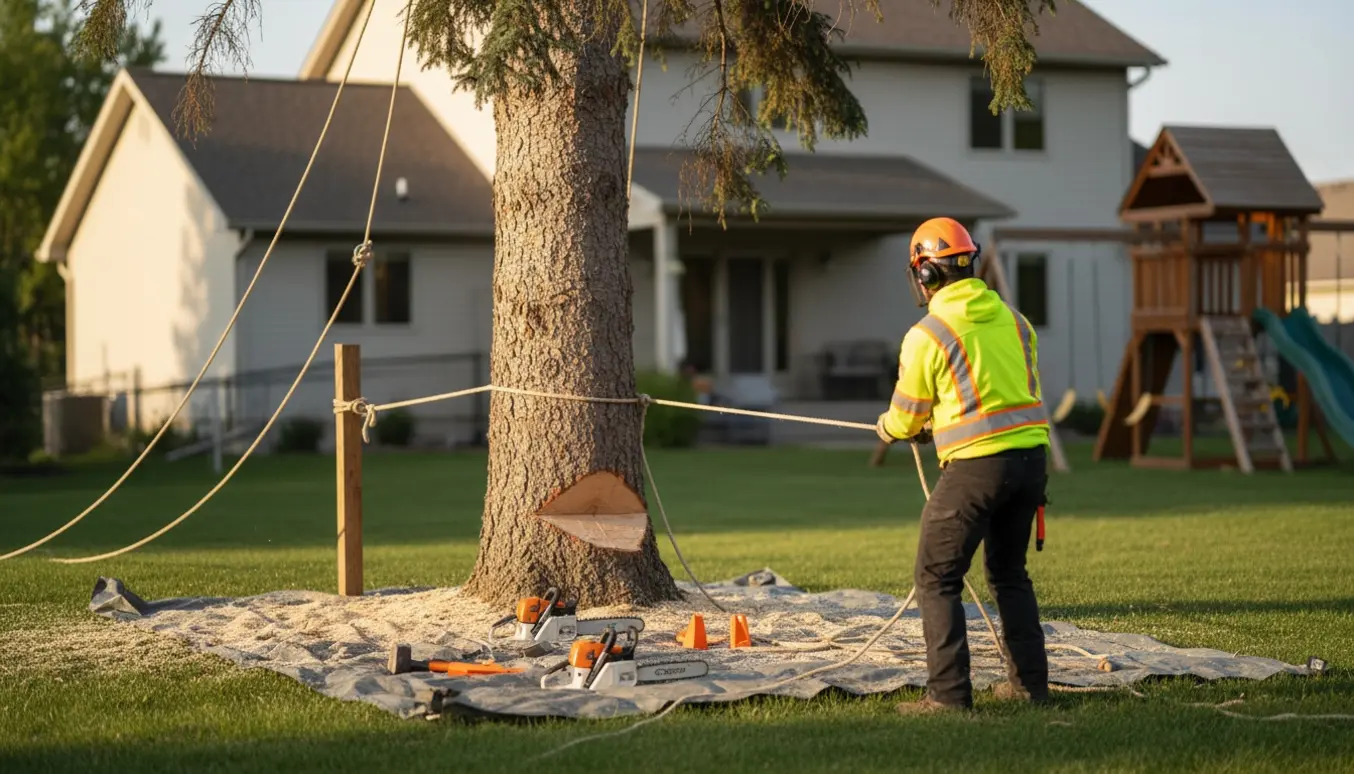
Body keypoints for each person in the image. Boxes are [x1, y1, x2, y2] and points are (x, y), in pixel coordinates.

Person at [875, 216, 1052, 714]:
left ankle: (949, 698)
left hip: (976, 469)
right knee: (1010, 575)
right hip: (1031, 464)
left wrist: (888, 428)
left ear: (926, 273)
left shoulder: (928, 334)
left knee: (936, 577)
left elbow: (905, 417)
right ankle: (1031, 688)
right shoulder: (1017, 321)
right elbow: (1000, 393)